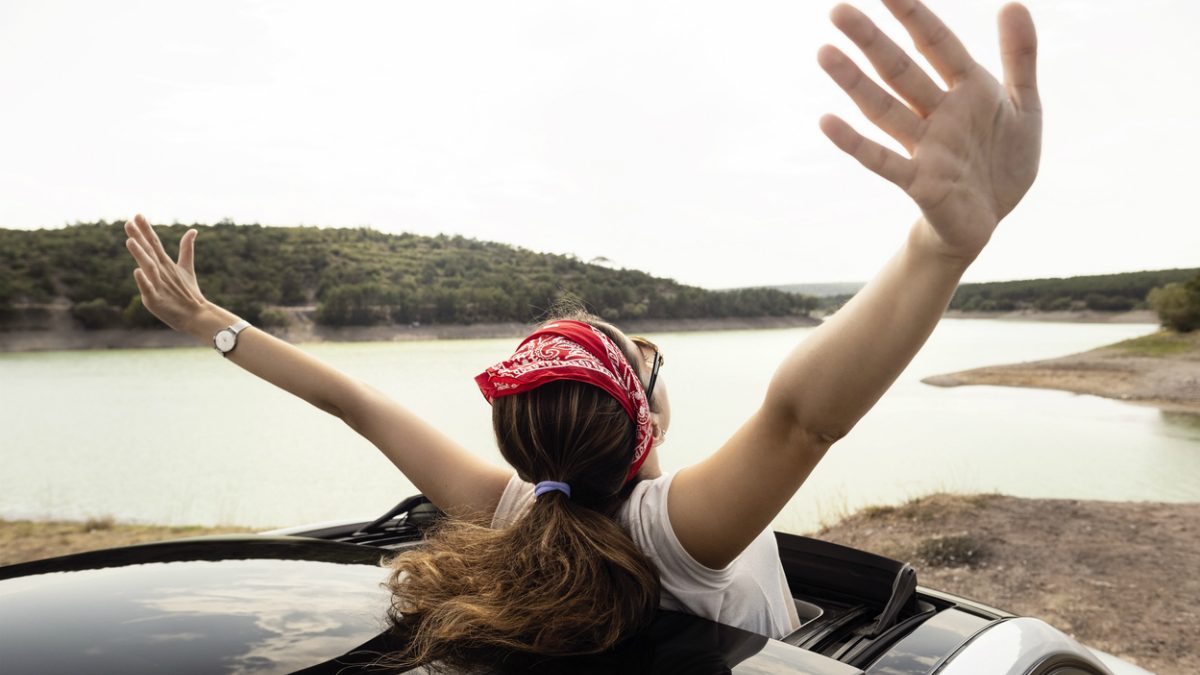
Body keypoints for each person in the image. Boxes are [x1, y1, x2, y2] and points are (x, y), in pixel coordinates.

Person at [121, 0, 1041, 668]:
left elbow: (355, 401)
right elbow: (803, 416)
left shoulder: (512, 510)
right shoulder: (677, 529)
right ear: (646, 414)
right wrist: (941, 245)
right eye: (648, 355)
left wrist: (214, 325)